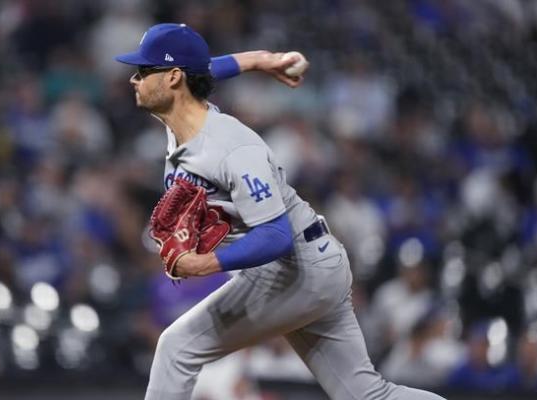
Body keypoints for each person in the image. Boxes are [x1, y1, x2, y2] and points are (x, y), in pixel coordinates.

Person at [114, 23, 446, 400]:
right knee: (366, 395)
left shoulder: (231, 147)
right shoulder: (187, 118)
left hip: (295, 267)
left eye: (144, 70)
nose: (134, 78)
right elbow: (204, 70)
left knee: (176, 348)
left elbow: (275, 235)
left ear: (173, 79)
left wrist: (204, 264)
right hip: (311, 265)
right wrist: (259, 60)